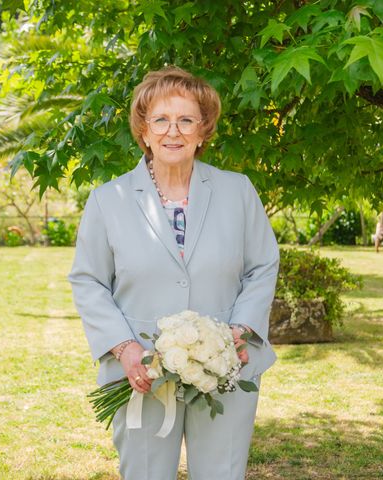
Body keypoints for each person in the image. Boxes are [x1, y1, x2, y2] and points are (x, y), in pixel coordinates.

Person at [69, 66, 279, 480]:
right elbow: (89, 281)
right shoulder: (107, 200)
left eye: (186, 120)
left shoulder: (238, 191)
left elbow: (262, 266)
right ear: (143, 131)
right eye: (161, 120)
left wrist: (237, 333)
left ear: (204, 131)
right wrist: (125, 349)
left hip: (226, 369)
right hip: (140, 373)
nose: (173, 131)